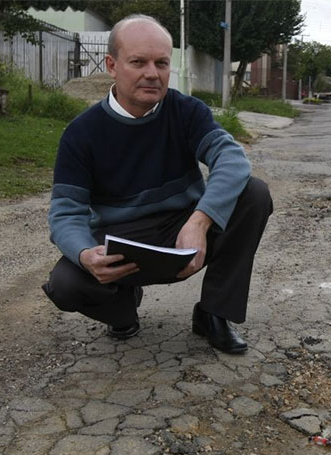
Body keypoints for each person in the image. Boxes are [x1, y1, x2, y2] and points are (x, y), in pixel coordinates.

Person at [41, 14, 272, 354]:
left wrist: (200, 220)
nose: (152, 73)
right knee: (66, 284)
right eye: (138, 62)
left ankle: (213, 313)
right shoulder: (81, 134)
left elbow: (233, 159)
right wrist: (85, 254)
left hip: (182, 229)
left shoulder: (186, 112)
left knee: (254, 194)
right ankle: (121, 310)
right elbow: (65, 213)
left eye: (161, 63)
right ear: (112, 65)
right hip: (122, 240)